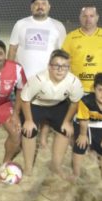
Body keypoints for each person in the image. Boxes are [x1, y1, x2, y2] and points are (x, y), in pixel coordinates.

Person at [8, 0, 67, 148]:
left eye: (43, 3)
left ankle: (42, 138)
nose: (39, 6)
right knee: (22, 107)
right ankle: (23, 134)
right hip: (23, 77)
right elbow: (13, 48)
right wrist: (9, 70)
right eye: (36, 4)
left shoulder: (58, 26)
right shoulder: (20, 24)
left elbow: (62, 53)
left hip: (48, 77)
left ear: (49, 6)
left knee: (47, 106)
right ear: (31, 7)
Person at [20, 49, 84, 177]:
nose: (60, 70)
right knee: (29, 130)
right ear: (49, 67)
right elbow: (25, 99)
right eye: (56, 66)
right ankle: (28, 167)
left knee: (66, 130)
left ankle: (56, 165)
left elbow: (74, 102)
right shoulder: (38, 79)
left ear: (68, 68)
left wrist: (67, 122)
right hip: (36, 105)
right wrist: (28, 120)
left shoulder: (74, 82)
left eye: (65, 66)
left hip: (57, 105)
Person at [70, 73, 102, 183]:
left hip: (100, 123)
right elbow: (83, 121)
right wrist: (83, 135)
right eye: (100, 90)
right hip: (83, 122)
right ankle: (76, 172)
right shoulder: (86, 101)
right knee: (80, 145)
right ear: (94, 89)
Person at [62, 6, 102, 97]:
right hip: (78, 89)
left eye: (91, 16)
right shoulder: (70, 37)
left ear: (97, 18)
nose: (88, 19)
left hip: (101, 89)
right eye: (85, 16)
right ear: (80, 18)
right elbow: (64, 62)